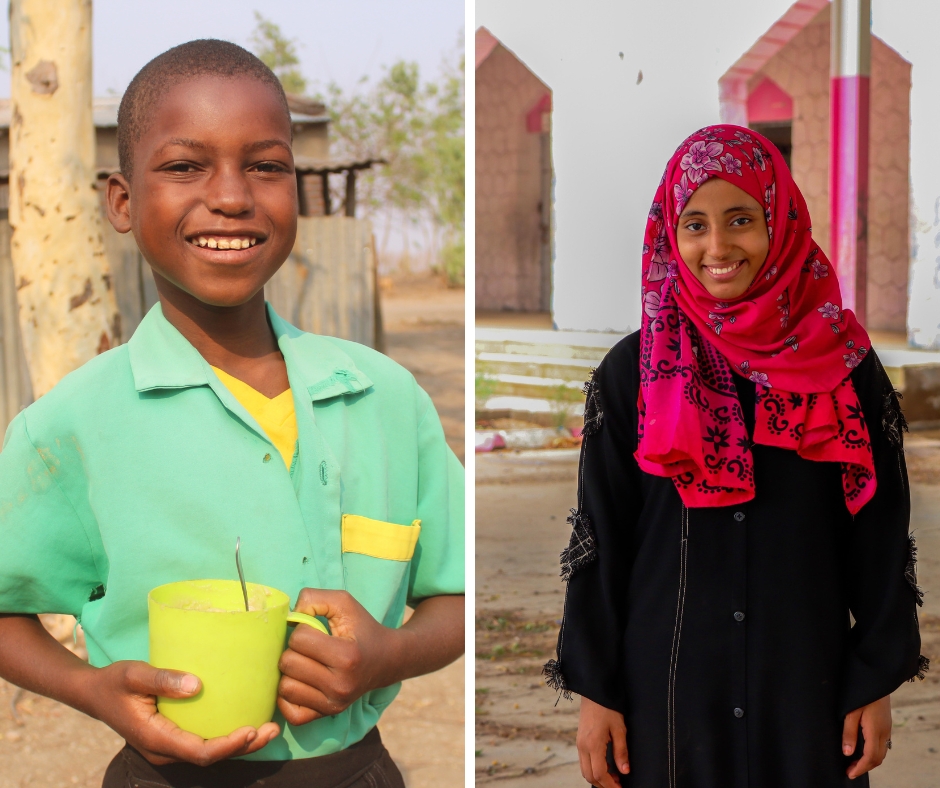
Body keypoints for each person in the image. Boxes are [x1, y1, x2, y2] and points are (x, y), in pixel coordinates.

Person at [0, 40, 464, 788]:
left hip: (353, 772)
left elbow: (455, 591)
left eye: (265, 165)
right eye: (185, 166)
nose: (232, 196)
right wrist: (93, 690)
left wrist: (389, 652)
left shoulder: (383, 398)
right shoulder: (74, 425)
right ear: (122, 201)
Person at [544, 125, 925, 788]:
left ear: (779, 222)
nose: (716, 248)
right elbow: (601, 540)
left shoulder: (845, 368)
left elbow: (881, 538)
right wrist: (595, 693)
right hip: (666, 702)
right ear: (670, 233)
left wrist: (875, 677)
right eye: (694, 225)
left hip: (808, 699)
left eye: (741, 220)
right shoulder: (634, 372)